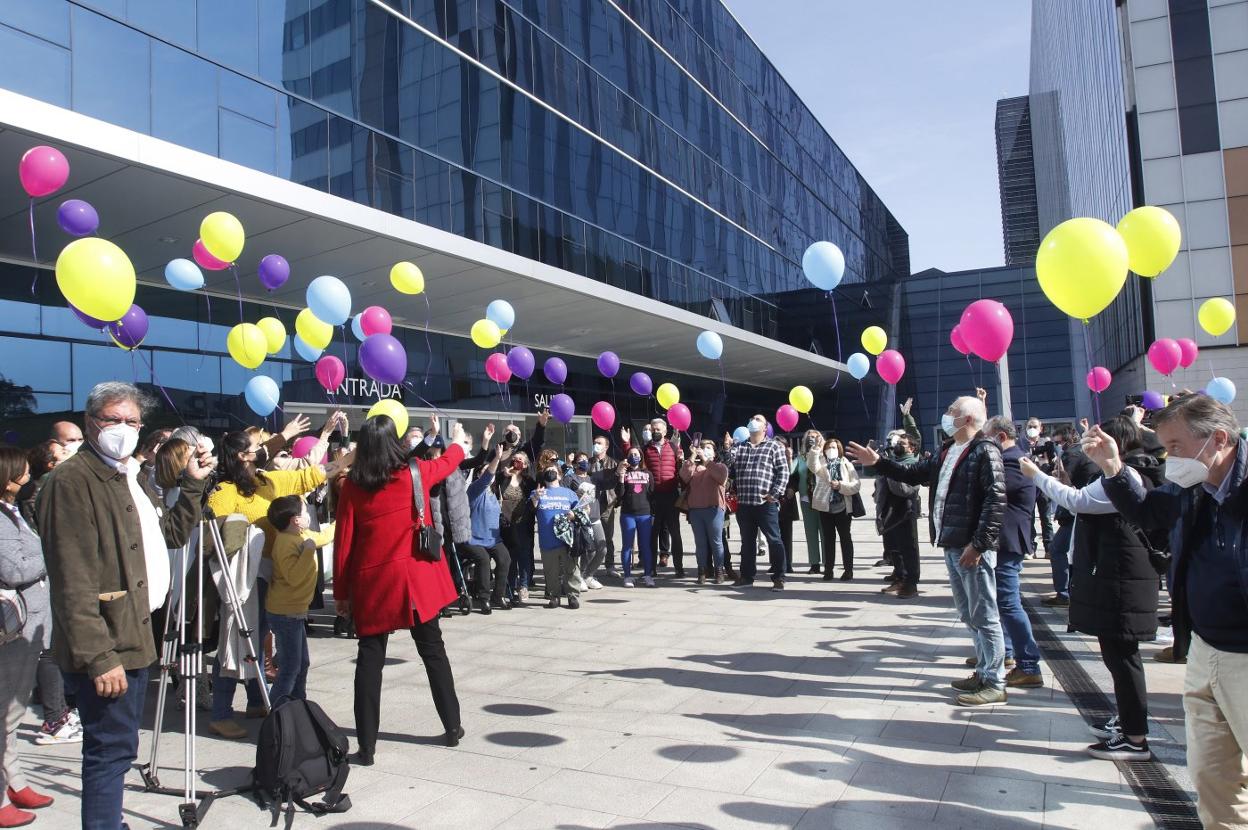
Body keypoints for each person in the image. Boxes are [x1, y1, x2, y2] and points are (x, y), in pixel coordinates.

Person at [36, 382, 215, 830]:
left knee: (119, 748)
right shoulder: (73, 481)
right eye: (112, 419)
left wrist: (193, 485)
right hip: (108, 643)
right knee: (108, 752)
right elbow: (71, 580)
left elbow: (170, 536)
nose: (123, 428)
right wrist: (100, 657)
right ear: (89, 422)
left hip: (138, 632)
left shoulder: (131, 476)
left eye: (132, 421)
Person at [1087, 395, 1248, 825]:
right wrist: (1113, 468)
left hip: (1244, 658)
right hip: (1205, 648)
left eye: (1175, 446)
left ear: (1216, 439)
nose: (1168, 457)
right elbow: (1148, 511)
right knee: (1212, 777)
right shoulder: (1191, 486)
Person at [848, 395, 1006, 706]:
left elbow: (996, 501)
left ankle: (995, 681)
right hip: (951, 541)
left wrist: (978, 544)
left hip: (971, 546)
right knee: (968, 613)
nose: (947, 415)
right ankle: (983, 670)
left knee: (984, 614)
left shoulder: (985, 451)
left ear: (969, 420)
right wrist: (879, 463)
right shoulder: (949, 450)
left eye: (952, 411)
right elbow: (914, 473)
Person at [1023, 415, 1163, 762]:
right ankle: (1130, 721)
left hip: (1120, 579)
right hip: (1118, 575)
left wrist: (1037, 477)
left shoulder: (1124, 475)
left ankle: (1135, 737)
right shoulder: (1127, 472)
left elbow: (1079, 501)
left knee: (1122, 658)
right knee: (1119, 658)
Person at [334, 415, 468, 766]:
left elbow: (343, 544)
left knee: (369, 661)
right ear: (395, 442)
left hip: (374, 582)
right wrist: (456, 440)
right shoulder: (415, 473)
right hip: (416, 578)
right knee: (433, 651)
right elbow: (450, 460)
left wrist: (342, 594)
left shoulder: (352, 485)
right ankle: (452, 727)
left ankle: (366, 746)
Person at [205, 417, 350, 740]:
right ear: (242, 456)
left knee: (259, 642)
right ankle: (221, 713)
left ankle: (257, 701)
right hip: (244, 578)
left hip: (271, 573)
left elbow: (310, 476)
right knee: (237, 642)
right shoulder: (223, 493)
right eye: (256, 448)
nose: (262, 452)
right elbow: (212, 539)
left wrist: (347, 458)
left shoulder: (267, 481)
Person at [0, 447, 56, 827]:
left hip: (28, 623)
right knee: (6, 711)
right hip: (14, 625)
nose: (27, 474)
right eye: (21, 470)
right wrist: (52, 551)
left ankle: (14, 781)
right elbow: (13, 567)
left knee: (14, 711)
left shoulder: (13, 511)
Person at [983, 416, 1044, 689]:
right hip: (1003, 540)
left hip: (1008, 541)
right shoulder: (1012, 458)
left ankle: (1029, 665)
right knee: (1000, 601)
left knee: (1008, 602)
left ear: (1000, 436)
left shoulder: (1013, 462)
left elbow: (992, 493)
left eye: (988, 437)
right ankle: (1005, 652)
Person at [264, 496, 334, 707]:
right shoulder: (286, 542)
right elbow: (293, 577)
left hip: (294, 612)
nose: (308, 516)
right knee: (290, 667)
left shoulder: (301, 535)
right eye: (305, 513)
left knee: (301, 663)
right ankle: (278, 711)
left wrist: (341, 521)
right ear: (295, 520)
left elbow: (322, 537)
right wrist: (309, 550)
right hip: (285, 613)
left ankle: (297, 705)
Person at [725, 415, 789, 591]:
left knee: (774, 540)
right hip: (745, 503)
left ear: (765, 426)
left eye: (758, 419)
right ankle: (746, 577)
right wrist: (728, 447)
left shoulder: (773, 446)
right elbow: (727, 464)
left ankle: (779, 577)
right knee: (747, 542)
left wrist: (774, 493)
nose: (753, 420)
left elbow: (783, 471)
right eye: (752, 418)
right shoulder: (740, 447)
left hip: (765, 504)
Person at [622, 419, 685, 576]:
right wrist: (626, 443)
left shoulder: (673, 447)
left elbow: (681, 470)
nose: (655, 431)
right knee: (652, 534)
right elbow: (633, 459)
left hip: (671, 496)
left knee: (675, 534)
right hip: (652, 497)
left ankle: (679, 567)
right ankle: (651, 569)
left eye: (658, 429)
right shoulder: (646, 449)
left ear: (665, 432)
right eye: (653, 429)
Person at [463, 444, 512, 613]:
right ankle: (484, 598)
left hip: (493, 539)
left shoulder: (494, 491)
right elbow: (487, 477)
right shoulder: (474, 489)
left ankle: (498, 595)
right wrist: (496, 459)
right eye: (485, 471)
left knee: (505, 559)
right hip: (473, 539)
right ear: (478, 474)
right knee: (483, 560)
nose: (489, 474)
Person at [876, 430, 923, 598]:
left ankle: (911, 583)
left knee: (908, 548)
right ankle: (899, 577)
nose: (898, 447)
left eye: (902, 445)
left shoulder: (914, 464)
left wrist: (890, 472)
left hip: (905, 511)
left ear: (912, 448)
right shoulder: (893, 461)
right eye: (897, 444)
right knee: (893, 547)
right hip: (889, 511)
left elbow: (904, 490)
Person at [808, 436, 860, 581]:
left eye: (834, 448)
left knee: (845, 538)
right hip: (825, 507)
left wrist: (841, 486)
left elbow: (856, 484)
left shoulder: (845, 463)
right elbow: (812, 465)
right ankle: (828, 570)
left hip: (843, 507)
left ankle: (848, 570)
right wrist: (816, 448)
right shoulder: (822, 463)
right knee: (828, 539)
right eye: (829, 447)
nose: (831, 450)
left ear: (839, 450)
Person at [532, 466, 582, 607]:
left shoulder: (569, 493)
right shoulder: (538, 492)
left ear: (559, 476)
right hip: (547, 540)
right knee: (550, 570)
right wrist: (536, 497)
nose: (550, 471)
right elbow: (531, 508)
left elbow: (580, 511)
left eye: (553, 469)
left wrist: (574, 514)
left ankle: (572, 596)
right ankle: (554, 596)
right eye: (548, 469)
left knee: (571, 568)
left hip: (567, 539)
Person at [681, 438, 729, 584]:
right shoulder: (694, 467)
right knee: (700, 543)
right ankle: (702, 571)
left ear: (714, 453)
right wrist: (692, 456)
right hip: (696, 510)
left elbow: (721, 478)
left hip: (714, 510)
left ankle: (719, 571)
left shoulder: (720, 466)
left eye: (709, 448)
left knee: (716, 542)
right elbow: (684, 475)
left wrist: (706, 461)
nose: (705, 450)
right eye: (703, 447)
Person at [498, 449, 537, 601]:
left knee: (524, 555)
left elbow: (535, 497)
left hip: (524, 522)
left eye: (520, 459)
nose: (517, 461)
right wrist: (503, 475)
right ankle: (510, 586)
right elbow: (493, 481)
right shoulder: (504, 477)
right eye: (515, 459)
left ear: (526, 464)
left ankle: (524, 586)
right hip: (508, 523)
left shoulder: (529, 481)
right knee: (510, 556)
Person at [617, 448, 655, 588]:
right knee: (627, 546)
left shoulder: (648, 473)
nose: (634, 456)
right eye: (631, 454)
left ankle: (648, 575)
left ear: (641, 457)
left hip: (644, 513)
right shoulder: (624, 473)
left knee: (645, 546)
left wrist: (653, 514)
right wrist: (621, 477)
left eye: (636, 454)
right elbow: (619, 494)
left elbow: (652, 494)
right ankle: (627, 576)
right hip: (628, 514)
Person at [1023, 416, 1058, 554]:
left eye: (1035, 426)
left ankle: (1049, 547)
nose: (1032, 429)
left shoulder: (1046, 443)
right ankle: (1031, 547)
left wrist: (1048, 455)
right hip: (1029, 484)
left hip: (1043, 483)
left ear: (1041, 428)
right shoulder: (1022, 443)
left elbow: (1054, 461)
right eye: (1029, 426)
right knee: (1029, 518)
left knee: (1046, 517)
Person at [792, 429, 824, 574]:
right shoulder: (800, 458)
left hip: (823, 499)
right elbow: (789, 471)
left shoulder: (824, 457)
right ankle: (814, 563)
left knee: (825, 532)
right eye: (809, 437)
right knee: (810, 532)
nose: (811, 439)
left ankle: (827, 562)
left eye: (815, 437)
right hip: (806, 499)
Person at [589, 435, 620, 576]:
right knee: (589, 538)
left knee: (607, 537)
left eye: (599, 443)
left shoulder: (614, 463)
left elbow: (619, 484)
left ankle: (610, 565)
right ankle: (589, 567)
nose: (596, 445)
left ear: (606, 447)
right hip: (591, 505)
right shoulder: (588, 463)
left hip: (607, 505)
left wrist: (617, 501)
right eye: (595, 443)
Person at [776, 437, 799, 574]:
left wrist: (793, 488)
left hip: (787, 502)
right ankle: (775, 564)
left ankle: (788, 563)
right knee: (773, 536)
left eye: (782, 446)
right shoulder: (769, 459)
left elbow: (796, 477)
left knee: (786, 535)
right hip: (773, 500)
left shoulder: (792, 460)